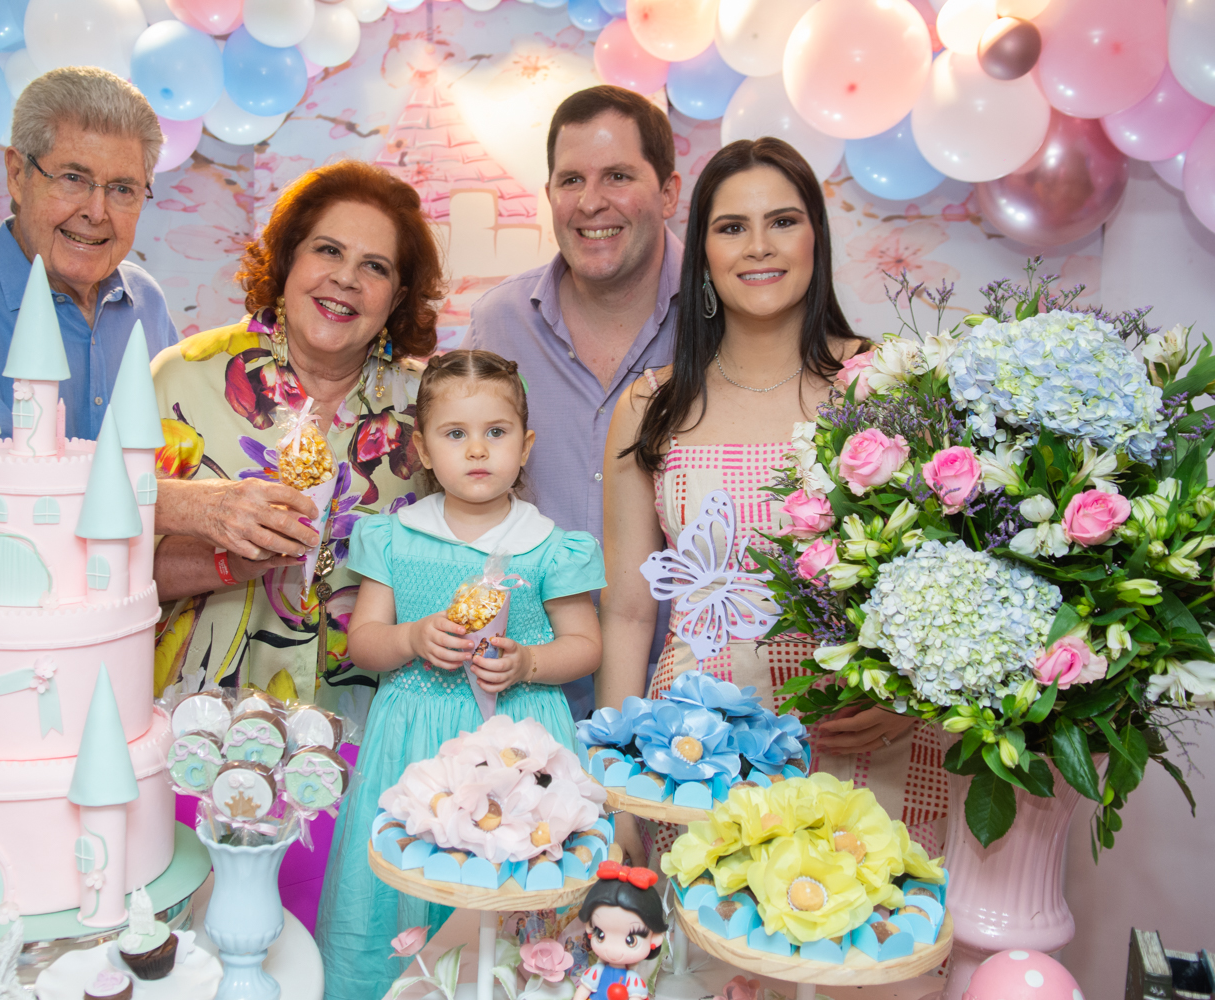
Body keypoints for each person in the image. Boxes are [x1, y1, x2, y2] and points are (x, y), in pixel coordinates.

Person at [598, 138, 948, 866]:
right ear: (701, 254)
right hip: (701, 750)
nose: (759, 246)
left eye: (783, 221)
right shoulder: (650, 406)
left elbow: (954, 579)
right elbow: (629, 613)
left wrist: (911, 698)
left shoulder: (886, 385)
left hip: (862, 741)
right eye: (732, 227)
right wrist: (615, 793)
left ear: (816, 236)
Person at [0, 67, 200, 727]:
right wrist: (198, 508)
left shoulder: (145, 303)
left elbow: (176, 451)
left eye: (123, 188)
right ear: (16, 174)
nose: (97, 211)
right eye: (73, 178)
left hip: (115, 680)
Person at [316, 350, 606, 1000]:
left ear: (525, 446)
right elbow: (363, 643)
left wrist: (529, 661)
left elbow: (586, 645)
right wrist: (410, 637)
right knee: (407, 891)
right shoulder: (395, 538)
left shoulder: (550, 546)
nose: (477, 449)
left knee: (514, 894)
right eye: (455, 433)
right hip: (413, 744)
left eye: (496, 432)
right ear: (422, 448)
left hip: (520, 745)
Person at [150, 160, 447, 719]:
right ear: (288, 258)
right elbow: (110, 567)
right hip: (198, 721)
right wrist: (221, 556)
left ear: (397, 296)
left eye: (375, 266)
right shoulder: (181, 378)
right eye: (328, 250)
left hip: (379, 728)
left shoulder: (433, 408)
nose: (346, 279)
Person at [464, 85, 682, 721]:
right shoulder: (498, 324)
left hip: (695, 698)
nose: (590, 202)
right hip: (522, 692)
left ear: (669, 192)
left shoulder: (723, 315)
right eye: (571, 180)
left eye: (618, 176)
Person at [573, 862, 666, 1000]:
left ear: (655, 939)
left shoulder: (632, 979)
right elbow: (583, 990)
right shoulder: (597, 971)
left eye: (631, 940)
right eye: (601, 935)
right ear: (589, 928)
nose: (613, 949)